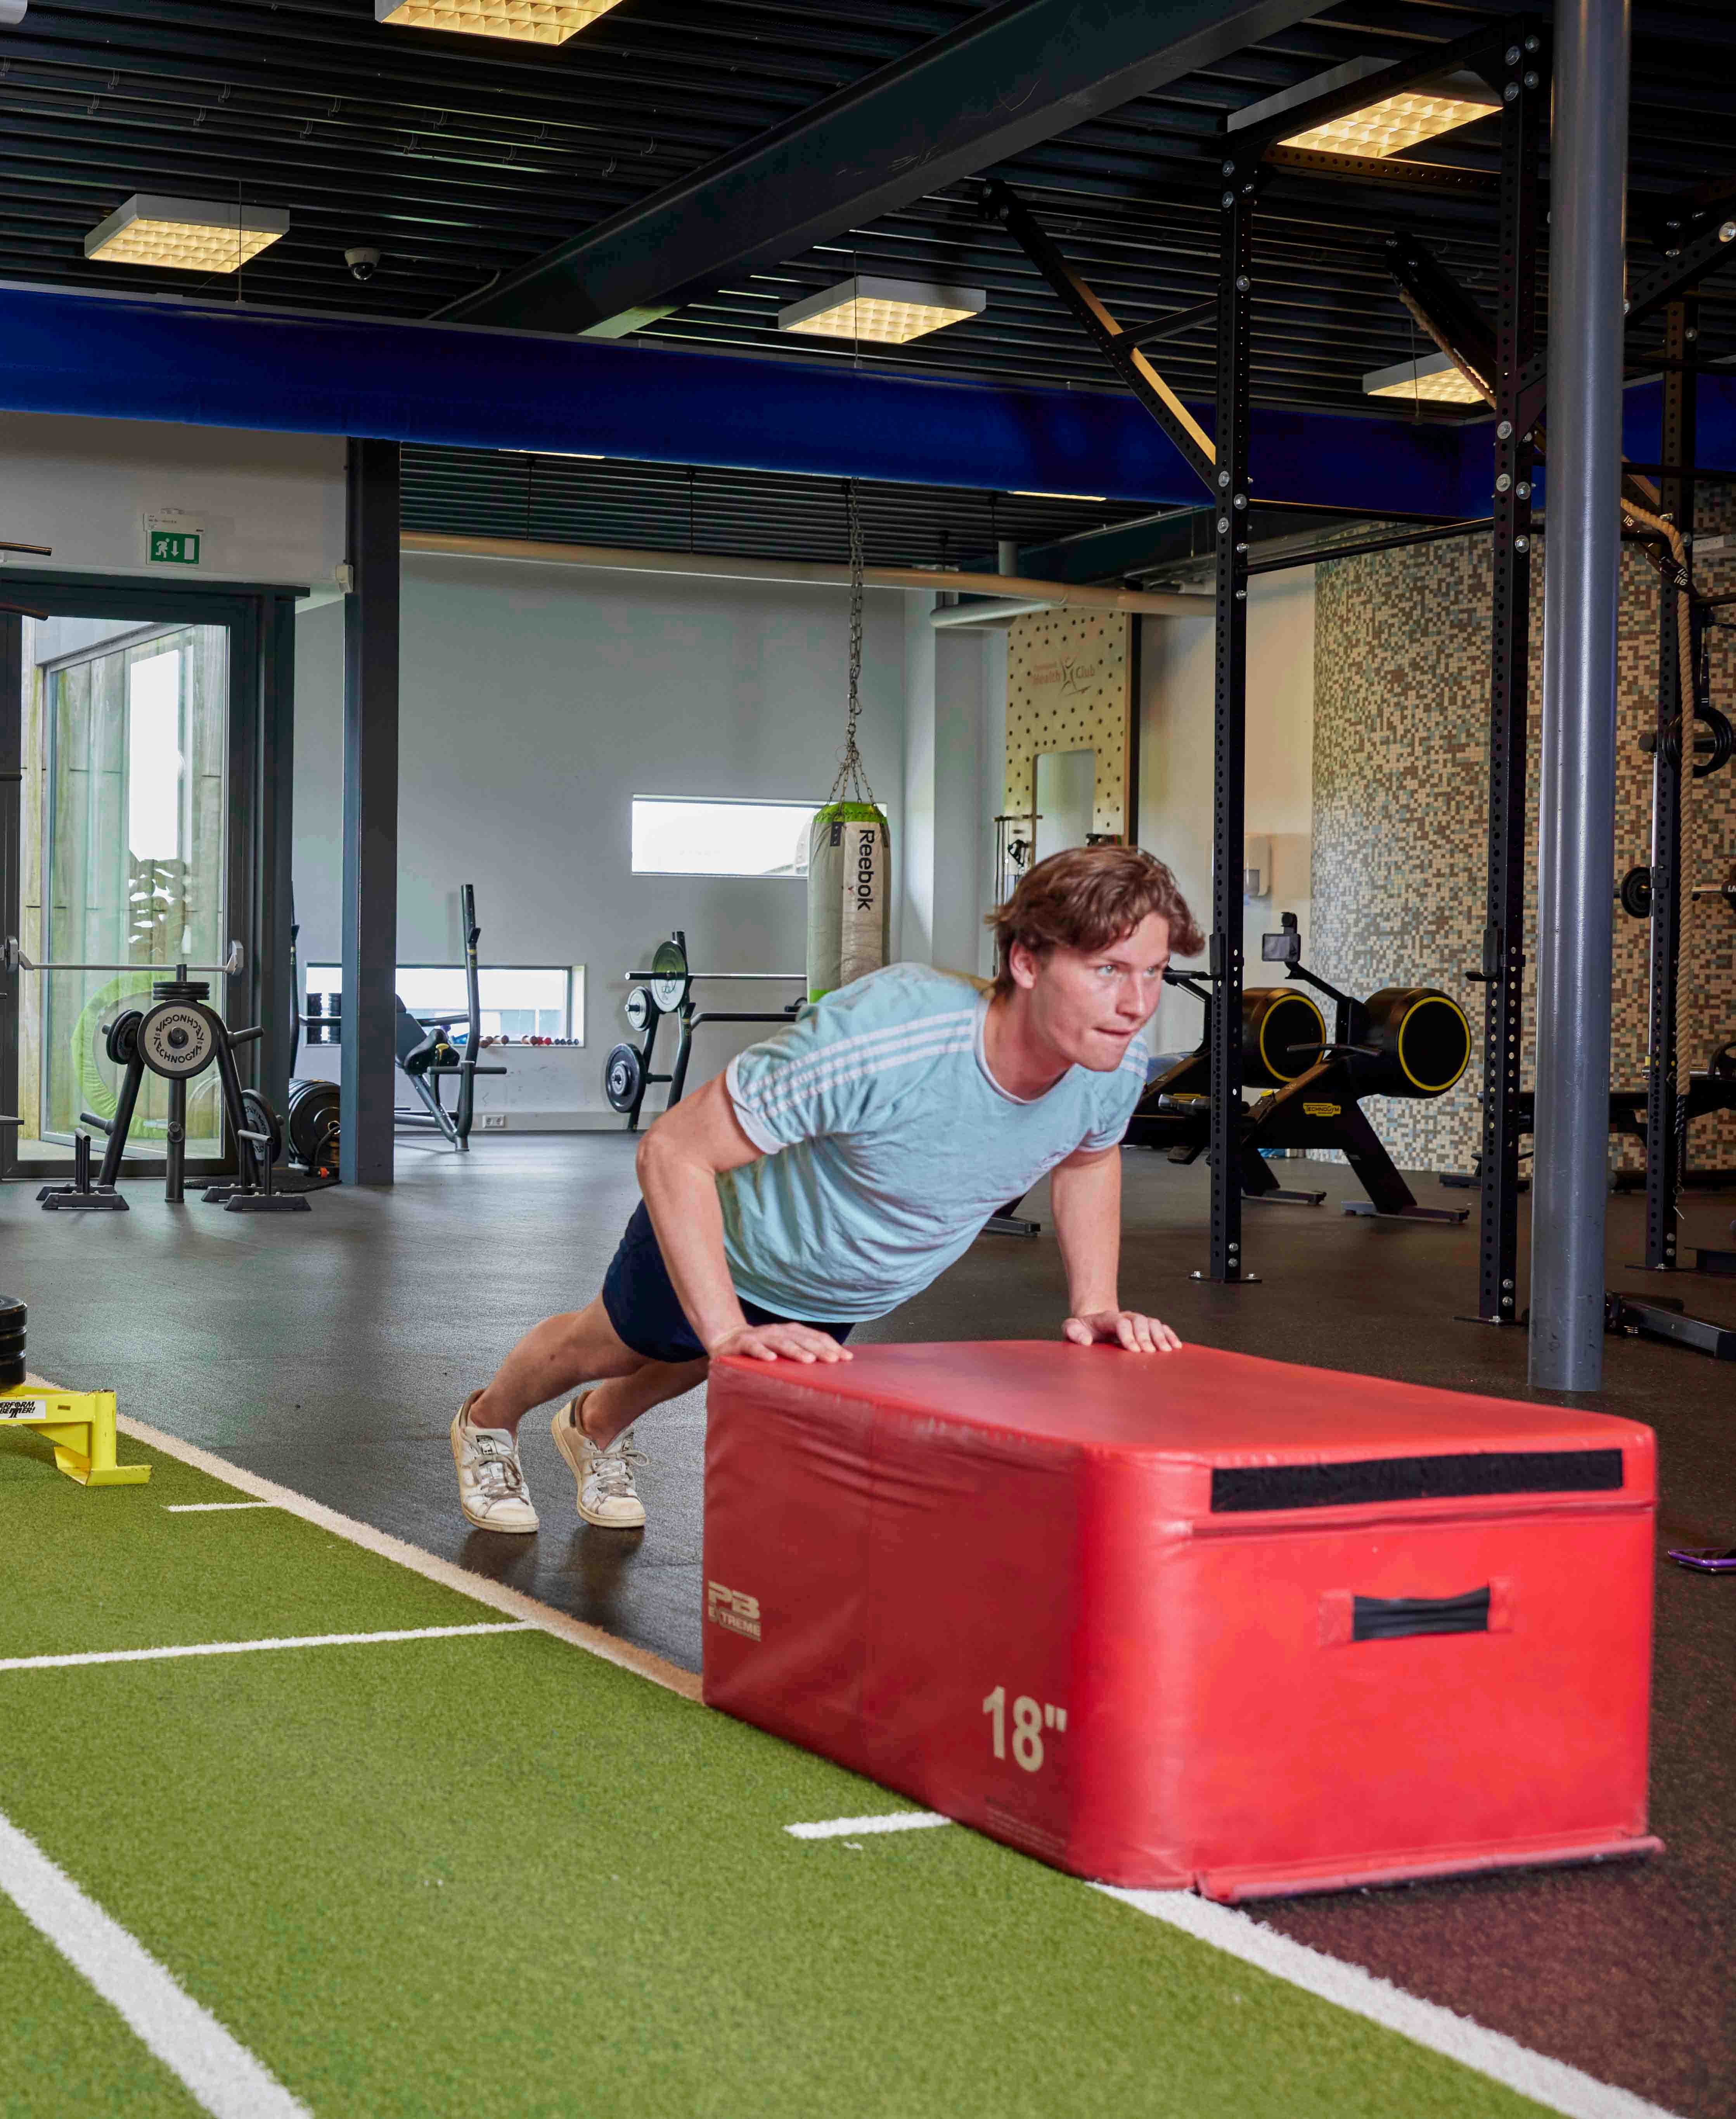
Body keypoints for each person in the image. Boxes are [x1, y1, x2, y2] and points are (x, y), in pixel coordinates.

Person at [450, 844, 1204, 1534]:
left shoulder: (1111, 1061)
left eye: (1153, 973)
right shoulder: (892, 1036)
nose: (1138, 1004)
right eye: (1108, 970)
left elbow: (1089, 1158)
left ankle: (595, 1427)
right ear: (1028, 962)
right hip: (735, 1238)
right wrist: (726, 1328)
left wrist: (1095, 1305)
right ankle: (488, 1421)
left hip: (841, 1289)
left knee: (701, 1366)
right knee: (608, 1347)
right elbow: (673, 1149)